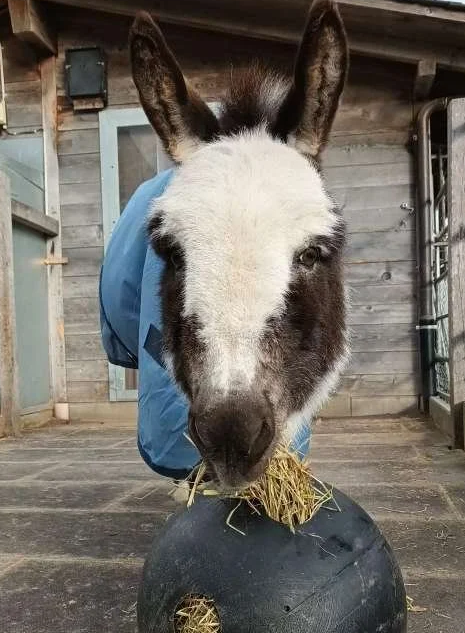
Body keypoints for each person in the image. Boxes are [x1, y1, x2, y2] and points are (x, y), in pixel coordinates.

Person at [98, 170, 311, 482]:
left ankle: (201, 491)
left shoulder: (157, 191)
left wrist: (135, 342)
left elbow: (121, 288)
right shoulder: (283, 177)